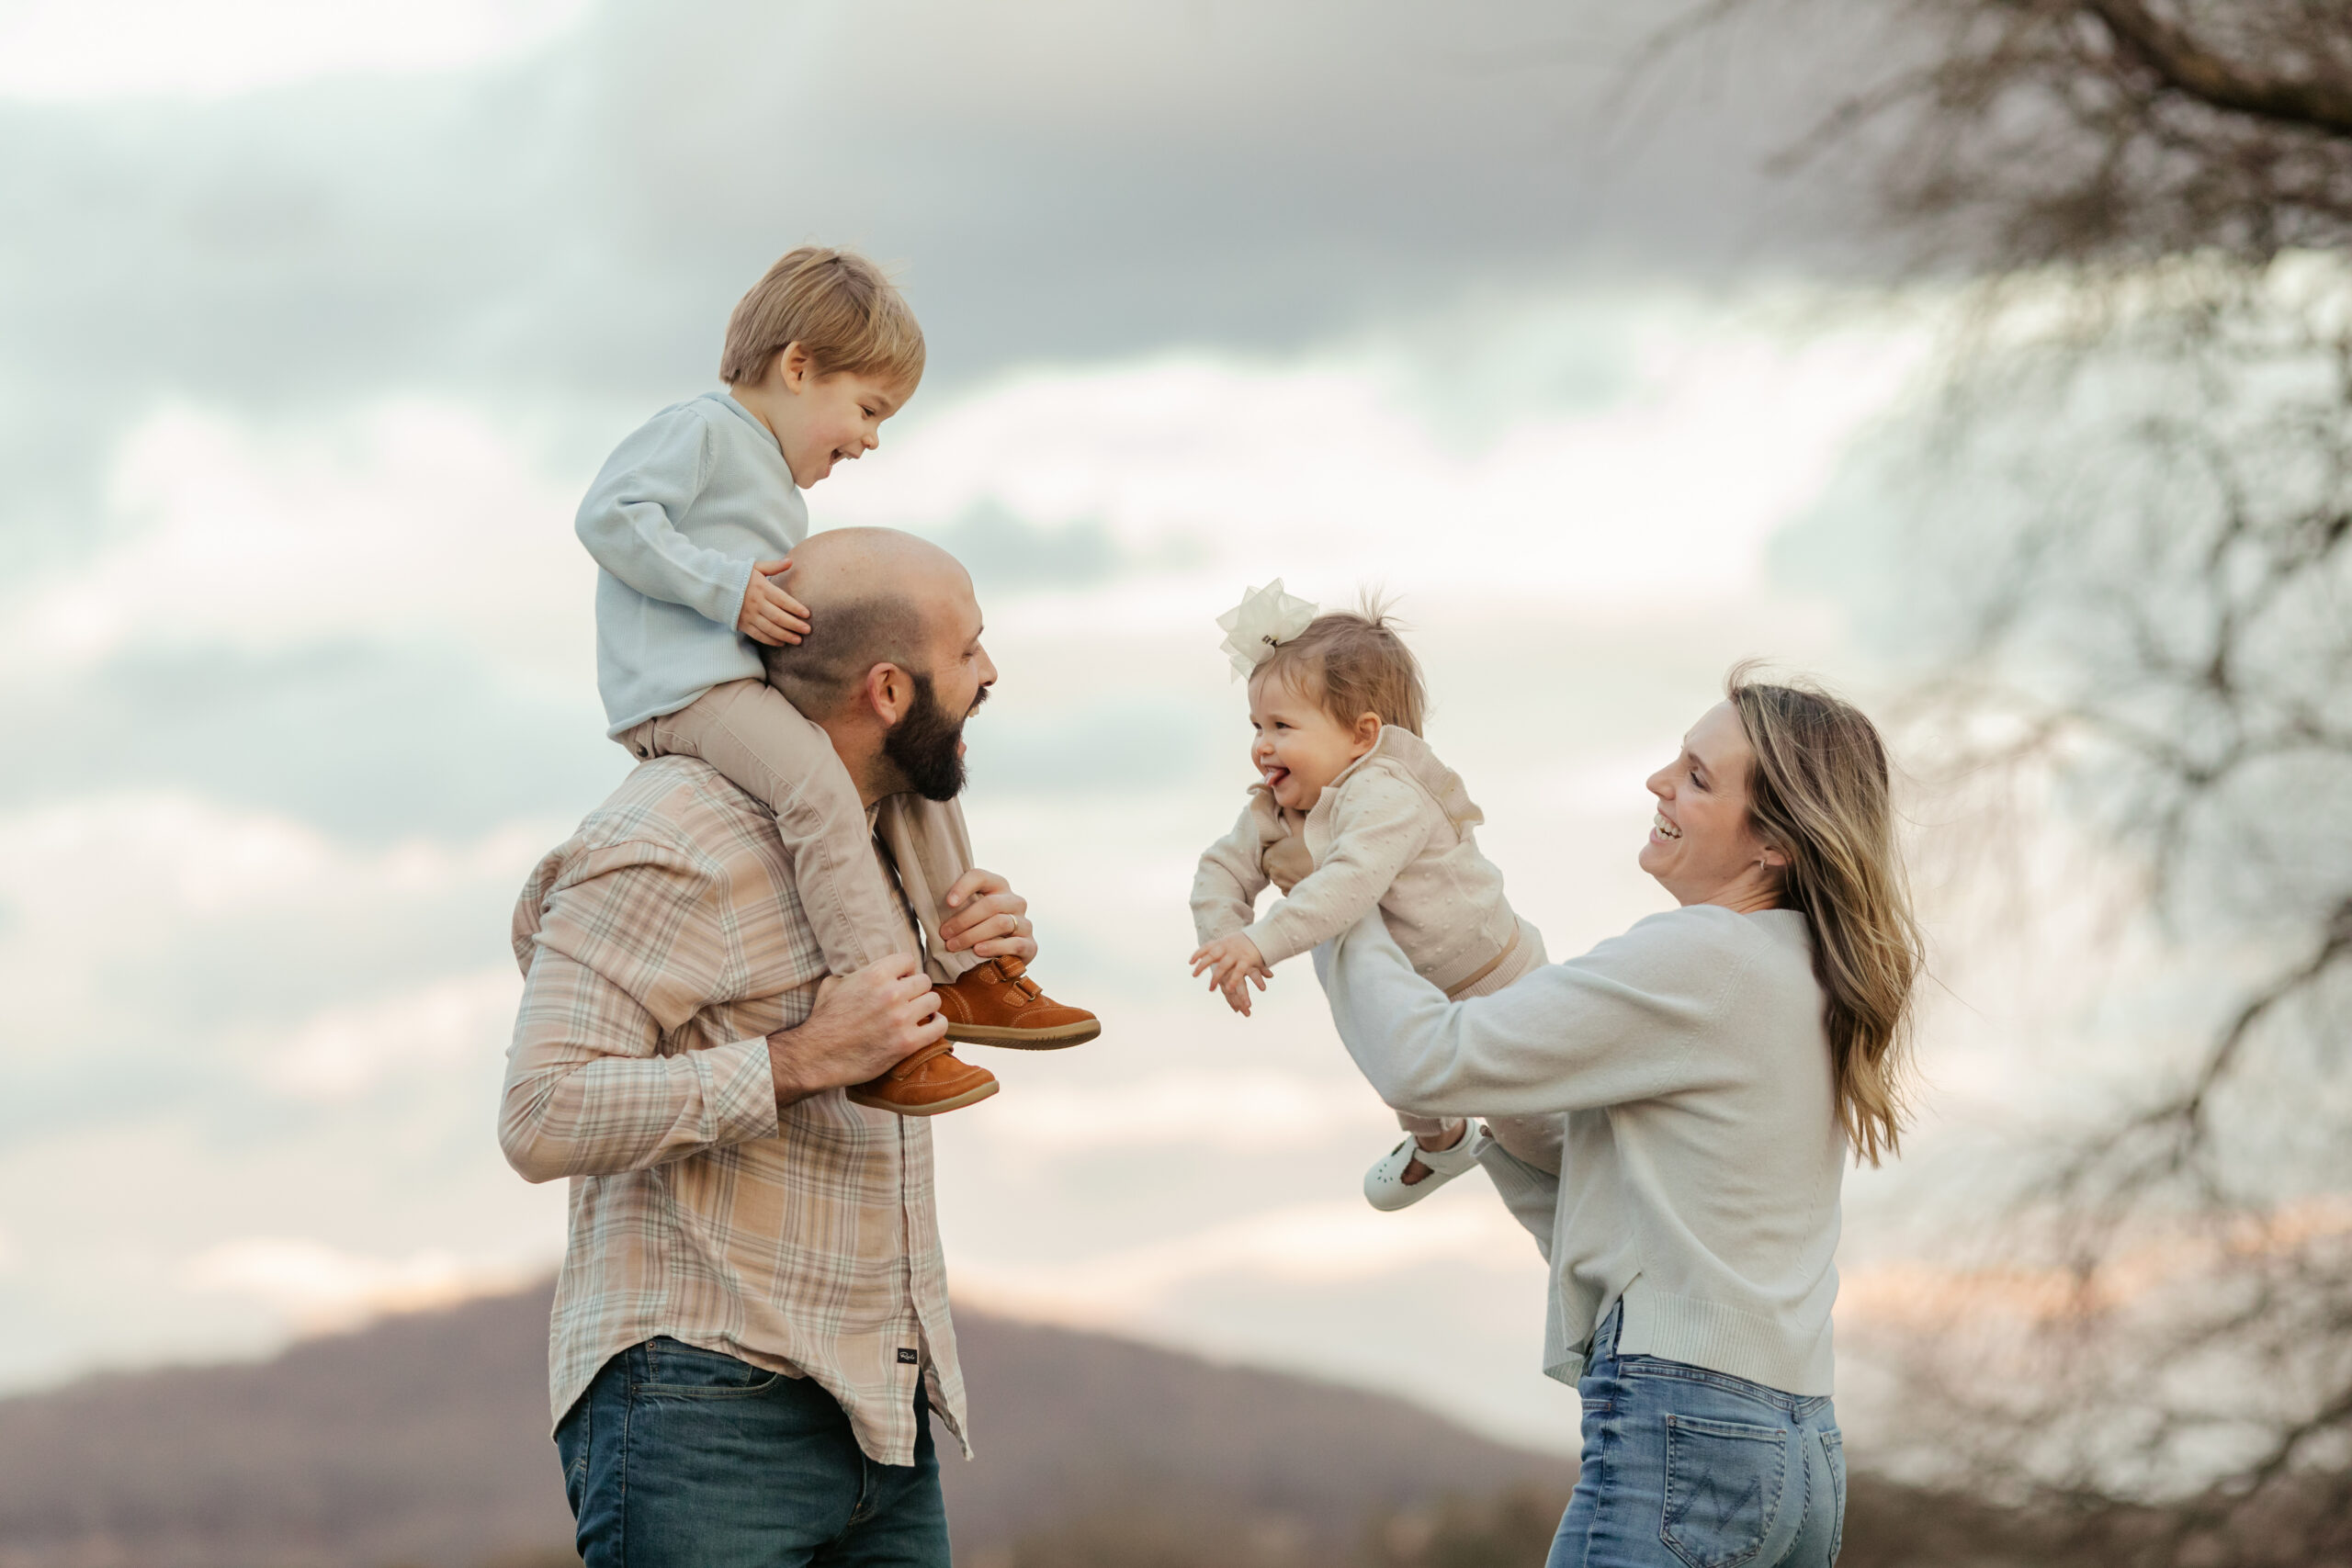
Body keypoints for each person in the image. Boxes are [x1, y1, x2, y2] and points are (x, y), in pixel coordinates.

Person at [501, 529, 1041, 1567]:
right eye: (968, 651)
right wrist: (797, 1059)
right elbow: (538, 1113)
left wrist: (968, 965)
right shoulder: (673, 835)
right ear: (888, 690)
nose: (989, 675)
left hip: (882, 1413)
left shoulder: (886, 838)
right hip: (702, 1409)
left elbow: (885, 1051)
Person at [1313, 667, 1922, 1568]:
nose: (1659, 783)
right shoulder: (1804, 977)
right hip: (1800, 1454)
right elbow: (1617, 1192)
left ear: (1775, 846)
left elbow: (1422, 1058)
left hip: (1685, 1435)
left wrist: (1333, 900)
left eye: (1698, 777)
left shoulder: (1703, 956)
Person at [573, 245, 1096, 1116]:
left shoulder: (771, 476)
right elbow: (607, 515)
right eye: (866, 407)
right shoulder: (701, 430)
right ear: (798, 366)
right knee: (819, 791)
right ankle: (888, 1026)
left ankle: (969, 972)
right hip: (685, 693)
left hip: (739, 682)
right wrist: (726, 588)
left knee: (911, 756)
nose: (871, 437)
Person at [1186, 581, 1557, 1207]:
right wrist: (1225, 938)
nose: (1262, 745)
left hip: (1495, 984)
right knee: (1378, 1024)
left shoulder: (1387, 791)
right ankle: (1440, 1141)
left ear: (1361, 736)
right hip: (1413, 996)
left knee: (1542, 1136)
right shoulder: (1275, 809)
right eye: (1256, 725)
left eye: (1282, 725)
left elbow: (1347, 882)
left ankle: (1599, 1179)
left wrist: (1263, 940)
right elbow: (1220, 869)